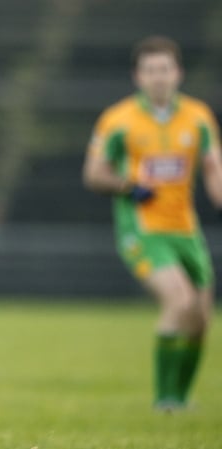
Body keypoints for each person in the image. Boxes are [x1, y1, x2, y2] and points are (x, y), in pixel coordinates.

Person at [83, 35, 222, 411]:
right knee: (180, 302)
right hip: (142, 230)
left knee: (201, 320)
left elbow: (213, 167)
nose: (158, 77)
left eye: (164, 69)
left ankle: (181, 398)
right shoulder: (118, 120)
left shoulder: (199, 117)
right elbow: (94, 173)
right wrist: (127, 185)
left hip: (185, 230)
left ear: (178, 73)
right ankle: (165, 402)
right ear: (137, 76)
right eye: (150, 70)